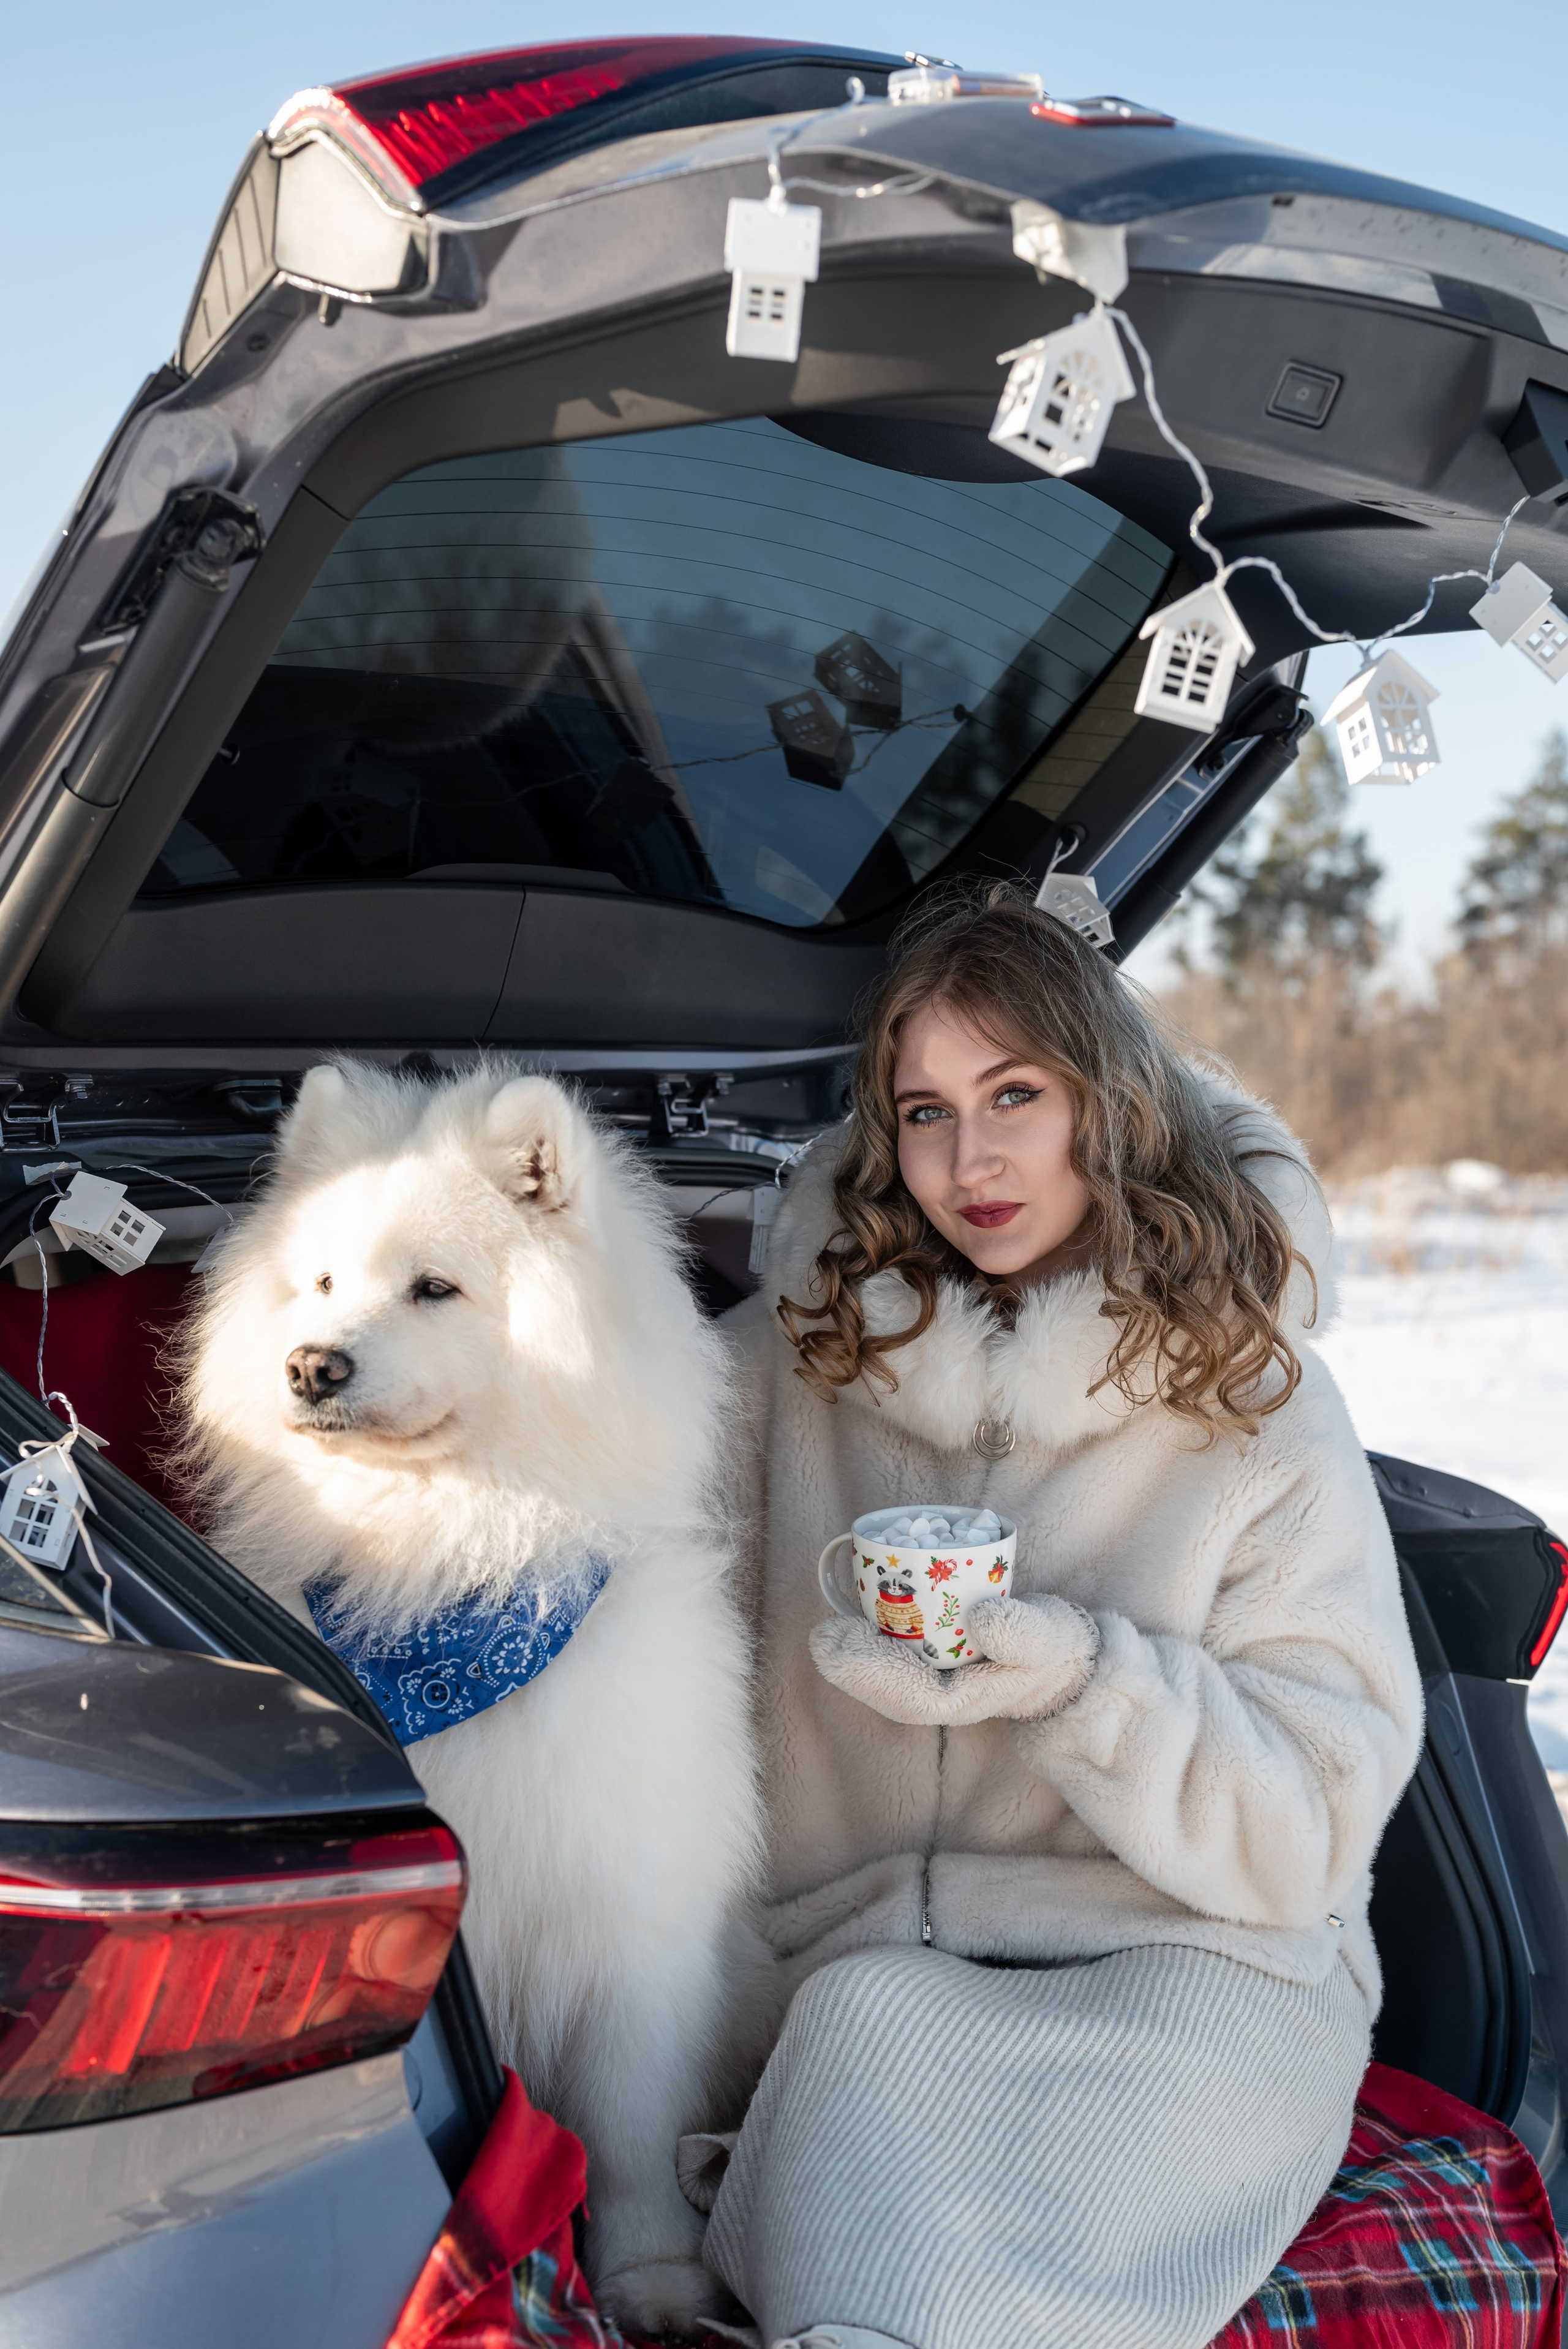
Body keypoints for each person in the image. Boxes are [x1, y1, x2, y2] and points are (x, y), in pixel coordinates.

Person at [701, 880, 1423, 2349]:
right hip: (857, 1961)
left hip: (1197, 1965)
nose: (967, 1157)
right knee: (868, 2039)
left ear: (1107, 1098)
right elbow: (615, 1539)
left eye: (1012, 1093)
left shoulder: (1257, 1399)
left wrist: (1083, 1678)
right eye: (921, 1109)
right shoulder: (796, 1355)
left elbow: (1306, 1826)